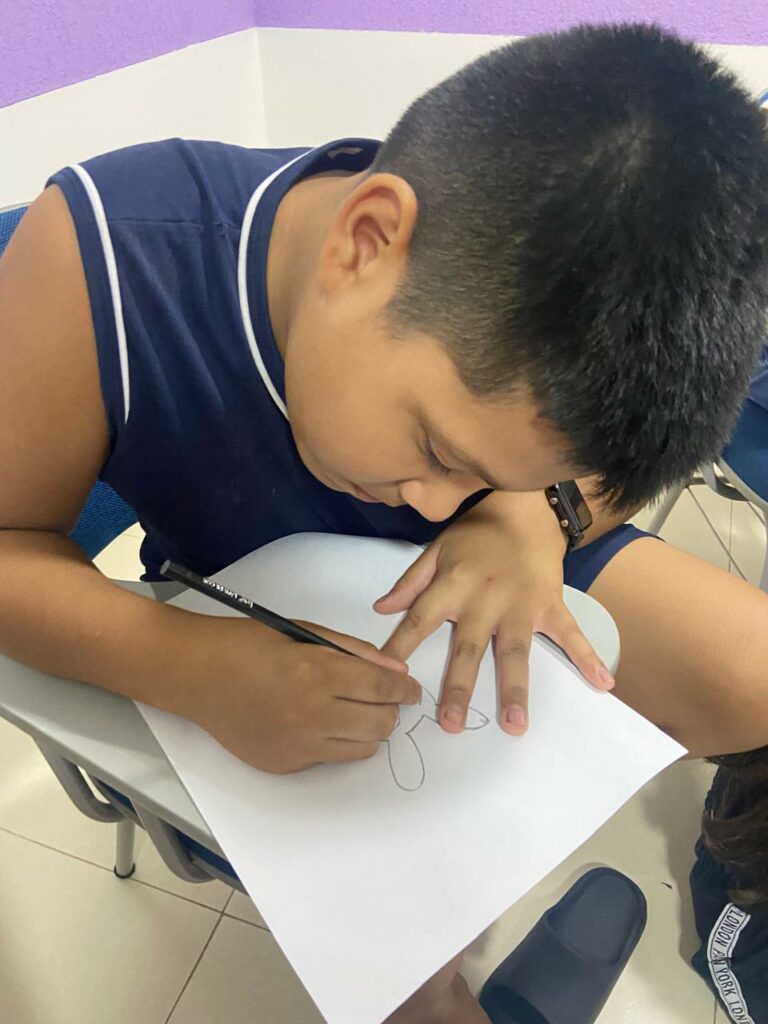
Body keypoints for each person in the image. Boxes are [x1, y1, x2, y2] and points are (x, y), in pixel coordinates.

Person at [1, 22, 767, 1023]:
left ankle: (737, 879)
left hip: (506, 562)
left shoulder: (547, 342)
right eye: (437, 446)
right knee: (408, 972)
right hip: (242, 609)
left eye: (481, 473)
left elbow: (595, 476)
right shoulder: (103, 252)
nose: (439, 501)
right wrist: (189, 666)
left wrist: (537, 512)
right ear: (365, 243)